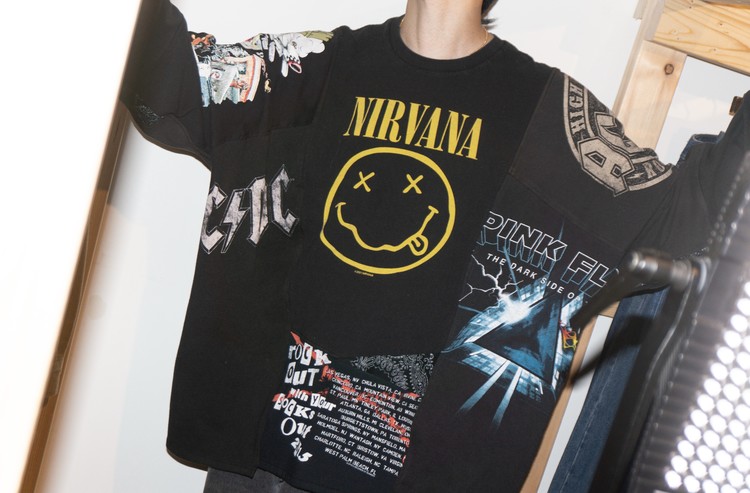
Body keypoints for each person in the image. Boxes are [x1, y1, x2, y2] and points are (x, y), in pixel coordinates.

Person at [121, 0, 749, 491]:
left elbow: (690, 217)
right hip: (261, 458)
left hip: (412, 474)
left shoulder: (546, 115)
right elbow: (169, 79)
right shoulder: (316, 69)